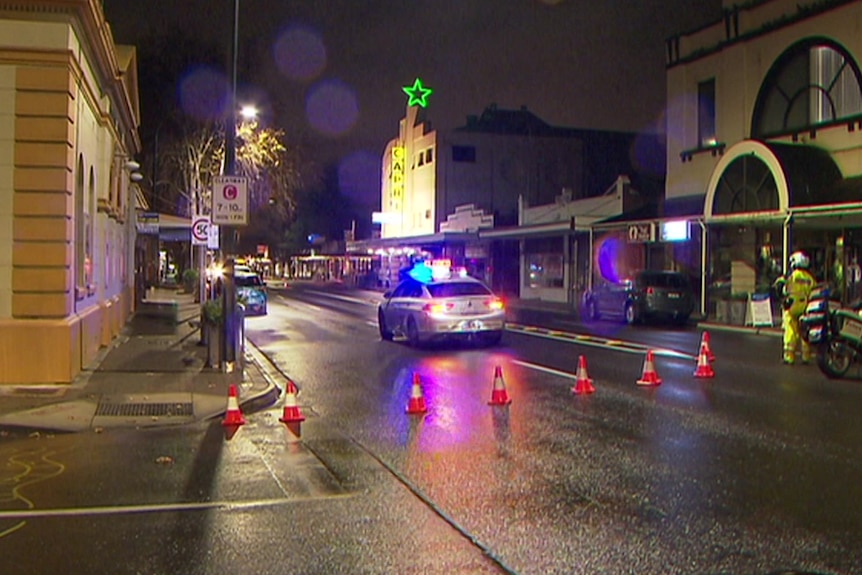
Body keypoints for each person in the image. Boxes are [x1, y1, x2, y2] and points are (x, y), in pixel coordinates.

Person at [773, 251, 817, 364]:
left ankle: (789, 356)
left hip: (791, 305)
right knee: (804, 331)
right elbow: (815, 292)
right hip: (805, 306)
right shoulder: (810, 278)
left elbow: (778, 285)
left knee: (790, 330)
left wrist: (781, 296)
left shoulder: (791, 275)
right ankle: (806, 356)